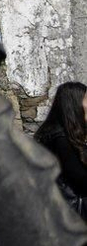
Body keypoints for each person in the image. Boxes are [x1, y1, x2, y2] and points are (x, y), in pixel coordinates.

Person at [36, 80, 87, 219]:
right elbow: (82, 182)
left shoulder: (61, 132)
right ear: (74, 104)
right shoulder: (59, 138)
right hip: (71, 211)